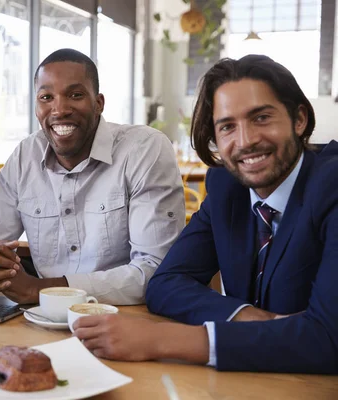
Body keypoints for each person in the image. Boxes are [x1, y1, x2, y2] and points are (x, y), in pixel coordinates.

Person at [73, 54, 338, 374]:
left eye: (261, 118)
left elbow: (328, 339)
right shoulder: (228, 187)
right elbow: (165, 283)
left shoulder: (331, 185)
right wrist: (248, 317)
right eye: (227, 126)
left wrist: (162, 340)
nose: (246, 141)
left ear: (299, 119)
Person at [0, 48, 185, 305]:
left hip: (126, 319)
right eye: (46, 97)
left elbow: (155, 271)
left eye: (75, 95)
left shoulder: (144, 149)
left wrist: (40, 290)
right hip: (41, 319)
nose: (59, 109)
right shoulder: (25, 156)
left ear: (98, 103)